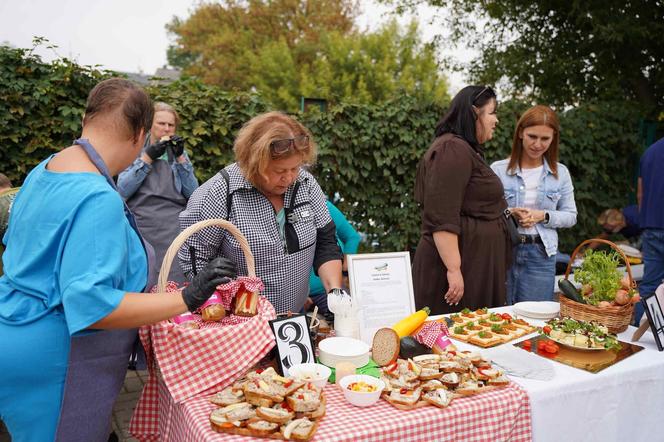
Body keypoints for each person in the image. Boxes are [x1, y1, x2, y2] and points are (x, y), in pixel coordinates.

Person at [0, 78, 235, 442]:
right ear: (140, 135)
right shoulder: (97, 197)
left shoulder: (45, 169)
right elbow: (92, 305)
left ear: (86, 118)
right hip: (56, 359)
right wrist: (187, 298)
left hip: (12, 333)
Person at [179, 111, 344, 314]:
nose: (290, 178)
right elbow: (195, 259)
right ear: (253, 163)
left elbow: (326, 242)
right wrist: (218, 305)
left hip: (294, 315)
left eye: (295, 168)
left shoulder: (306, 184)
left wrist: (335, 292)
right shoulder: (221, 192)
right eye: (279, 171)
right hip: (242, 322)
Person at [412, 85, 510, 315]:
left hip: (475, 263)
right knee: (452, 343)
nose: (496, 120)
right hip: (459, 268)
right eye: (492, 112)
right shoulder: (451, 149)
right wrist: (454, 269)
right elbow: (441, 215)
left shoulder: (464, 149)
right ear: (475, 113)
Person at [491, 105, 577, 304]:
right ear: (521, 133)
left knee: (536, 319)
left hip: (541, 254)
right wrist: (509, 212)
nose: (538, 144)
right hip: (504, 251)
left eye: (545, 138)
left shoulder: (560, 173)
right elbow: (486, 212)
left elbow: (571, 215)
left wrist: (543, 216)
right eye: (532, 136)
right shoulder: (498, 170)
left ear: (553, 137)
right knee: (499, 316)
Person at [117, 102, 198, 287]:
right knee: (145, 280)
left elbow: (193, 193)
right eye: (161, 124)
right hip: (143, 226)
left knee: (173, 282)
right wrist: (147, 158)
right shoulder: (135, 148)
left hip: (173, 228)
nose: (166, 129)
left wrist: (181, 159)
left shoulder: (178, 152)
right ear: (149, 125)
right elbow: (122, 189)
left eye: (171, 125)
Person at [307, 200, 361, 315]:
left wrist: (344, 271)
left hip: (327, 293)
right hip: (293, 297)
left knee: (347, 317)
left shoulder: (322, 206)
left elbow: (352, 237)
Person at [636, 136, 664, 324]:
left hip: (652, 226)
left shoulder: (650, 151)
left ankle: (640, 329)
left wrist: (644, 220)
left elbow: (640, 193)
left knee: (648, 285)